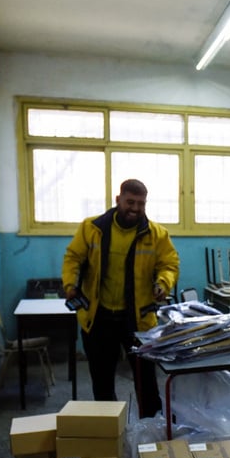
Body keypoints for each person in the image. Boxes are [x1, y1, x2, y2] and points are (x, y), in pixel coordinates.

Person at [62, 178, 180, 419]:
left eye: (141, 203)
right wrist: (70, 284)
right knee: (102, 382)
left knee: (146, 381)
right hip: (98, 317)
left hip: (138, 319)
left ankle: (152, 433)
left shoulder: (157, 234)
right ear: (118, 200)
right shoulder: (91, 228)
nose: (135, 208)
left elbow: (169, 264)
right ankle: (109, 432)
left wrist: (163, 282)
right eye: (130, 202)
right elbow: (73, 257)